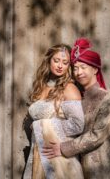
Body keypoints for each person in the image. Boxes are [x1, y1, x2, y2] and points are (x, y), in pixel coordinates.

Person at [42, 38, 110, 179]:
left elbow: (96, 137)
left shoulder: (108, 100)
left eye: (83, 67)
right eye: (75, 68)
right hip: (76, 164)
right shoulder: (78, 96)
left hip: (98, 166)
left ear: (95, 69)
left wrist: (63, 148)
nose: (78, 72)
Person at [23, 44, 85, 179]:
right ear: (49, 61)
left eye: (65, 62)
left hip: (58, 155)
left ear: (69, 65)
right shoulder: (40, 87)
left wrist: (40, 125)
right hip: (38, 151)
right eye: (56, 60)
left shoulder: (69, 88)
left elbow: (78, 125)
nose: (60, 66)